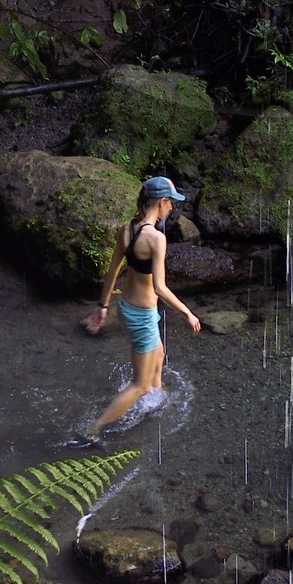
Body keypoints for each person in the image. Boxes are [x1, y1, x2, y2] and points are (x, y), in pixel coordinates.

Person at [83, 175, 201, 431]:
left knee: (158, 354)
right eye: (171, 203)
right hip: (142, 316)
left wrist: (103, 306)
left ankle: (153, 404)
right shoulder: (156, 239)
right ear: (160, 202)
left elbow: (113, 271)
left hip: (127, 307)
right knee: (140, 385)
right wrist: (187, 312)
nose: (171, 208)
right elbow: (160, 286)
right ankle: (94, 428)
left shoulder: (127, 230)